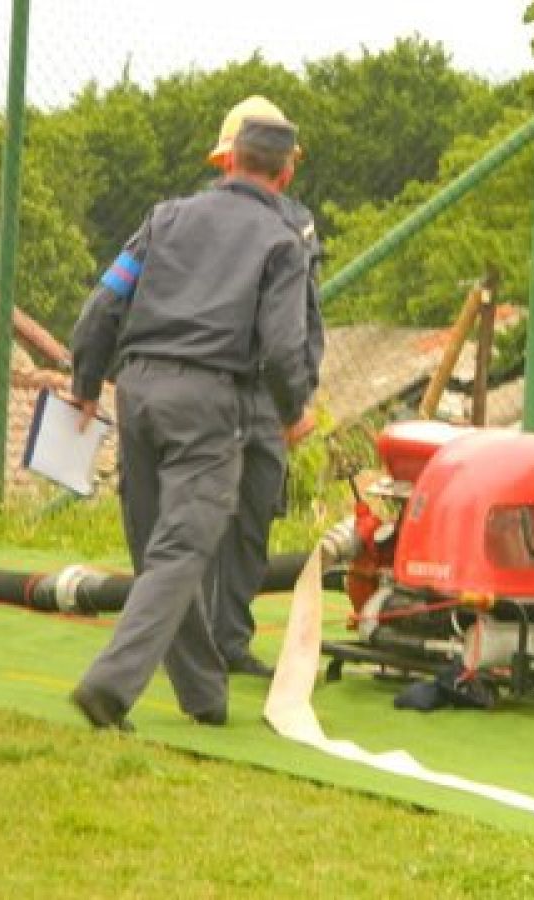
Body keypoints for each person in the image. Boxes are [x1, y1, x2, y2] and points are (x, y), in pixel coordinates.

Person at [67, 111, 316, 730]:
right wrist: (294, 411)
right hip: (208, 404)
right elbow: (283, 347)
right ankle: (109, 686)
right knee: (182, 550)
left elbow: (104, 302)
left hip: (137, 390)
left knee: (158, 548)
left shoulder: (165, 217)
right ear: (285, 175)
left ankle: (204, 693)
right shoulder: (283, 242)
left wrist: (86, 385)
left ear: (229, 160)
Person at [202, 96, 326, 679]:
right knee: (204, 516)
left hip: (267, 395)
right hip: (219, 387)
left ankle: (230, 640)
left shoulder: (297, 224)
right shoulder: (198, 218)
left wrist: (296, 396)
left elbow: (305, 317)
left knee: (252, 519)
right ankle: (193, 641)